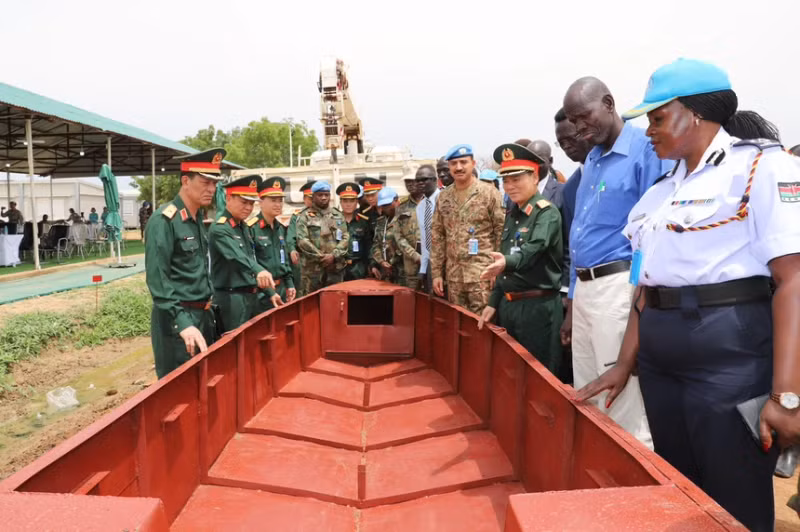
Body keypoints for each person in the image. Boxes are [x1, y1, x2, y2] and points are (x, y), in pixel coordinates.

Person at [577, 58, 800, 532]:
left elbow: (794, 280)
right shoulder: (658, 193)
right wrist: (624, 363)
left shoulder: (762, 167)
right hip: (661, 366)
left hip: (728, 363)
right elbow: (646, 287)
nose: (650, 131)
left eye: (658, 118)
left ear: (696, 114)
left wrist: (788, 395)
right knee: (683, 492)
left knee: (735, 497)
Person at [561, 76, 672, 448]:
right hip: (586, 289)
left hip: (619, 287)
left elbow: (654, 234)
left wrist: (640, 299)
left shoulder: (646, 150)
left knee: (621, 398)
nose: (579, 127)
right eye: (573, 120)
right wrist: (574, 299)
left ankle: (632, 482)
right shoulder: (591, 159)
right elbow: (581, 233)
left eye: (584, 116)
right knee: (589, 388)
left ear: (609, 103)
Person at [478, 143, 564, 373]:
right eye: (506, 180)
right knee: (512, 372)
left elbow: (534, 248)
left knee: (541, 376)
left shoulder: (546, 212)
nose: (510, 186)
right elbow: (504, 261)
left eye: (517, 179)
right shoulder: (513, 214)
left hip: (538, 308)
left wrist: (506, 262)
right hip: (510, 307)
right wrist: (493, 302)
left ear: (535, 177)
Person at [145, 148, 225, 378]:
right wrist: (182, 322)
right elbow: (158, 279)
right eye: (205, 181)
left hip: (203, 316)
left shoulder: (197, 219)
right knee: (179, 388)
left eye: (214, 183)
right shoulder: (164, 220)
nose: (211, 189)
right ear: (185, 181)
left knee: (203, 381)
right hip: (177, 321)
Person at [430, 144, 505, 314]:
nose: (458, 167)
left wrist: (497, 269)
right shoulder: (443, 197)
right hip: (454, 278)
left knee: (484, 326)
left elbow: (501, 232)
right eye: (453, 163)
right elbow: (438, 236)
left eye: (463, 162)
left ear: (473, 163)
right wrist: (436, 274)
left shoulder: (490, 193)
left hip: (483, 276)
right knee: (459, 327)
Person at [209, 175, 275, 333]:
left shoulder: (243, 227)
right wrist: (259, 271)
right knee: (232, 349)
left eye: (251, 203)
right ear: (228, 198)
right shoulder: (220, 228)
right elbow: (237, 256)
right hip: (232, 300)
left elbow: (251, 258)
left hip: (250, 297)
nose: (248, 207)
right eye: (244, 202)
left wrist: (269, 292)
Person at [250, 177, 296, 313]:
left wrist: (290, 284)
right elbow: (251, 265)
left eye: (280, 200)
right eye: (273, 200)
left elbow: (284, 260)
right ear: (261, 202)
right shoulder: (252, 228)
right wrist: (269, 291)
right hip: (262, 294)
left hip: (282, 290)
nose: (278, 204)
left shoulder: (280, 228)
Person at [296, 181, 350, 293]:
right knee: (311, 305)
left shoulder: (338, 215)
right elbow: (302, 241)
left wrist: (333, 256)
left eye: (326, 195)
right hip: (313, 272)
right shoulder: (304, 216)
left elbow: (345, 237)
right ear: (313, 196)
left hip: (335, 270)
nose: (324, 198)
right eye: (320, 195)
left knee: (334, 302)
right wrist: (322, 258)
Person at [337, 182, 372, 281]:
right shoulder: (334, 221)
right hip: (337, 268)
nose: (348, 204)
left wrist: (370, 265)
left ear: (357, 202)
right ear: (341, 202)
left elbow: (368, 245)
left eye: (352, 201)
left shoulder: (363, 221)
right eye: (345, 201)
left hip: (358, 268)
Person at [393, 178, 423, 288]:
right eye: (407, 181)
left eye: (413, 180)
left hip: (434, 264)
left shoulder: (434, 201)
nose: (410, 184)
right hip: (412, 266)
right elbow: (398, 236)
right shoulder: (401, 207)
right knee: (412, 300)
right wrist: (415, 255)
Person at [415, 164, 440, 293]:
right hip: (431, 264)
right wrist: (423, 269)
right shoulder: (420, 207)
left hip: (448, 263)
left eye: (424, 179)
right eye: (418, 180)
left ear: (435, 180)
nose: (420, 183)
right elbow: (425, 242)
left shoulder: (445, 199)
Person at [287, 181, 315, 295]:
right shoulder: (297, 216)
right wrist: (292, 249)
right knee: (302, 292)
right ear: (304, 199)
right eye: (309, 198)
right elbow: (290, 236)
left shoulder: (328, 215)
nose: (312, 201)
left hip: (321, 261)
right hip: (303, 260)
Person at [370, 187, 400, 282]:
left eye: (388, 204)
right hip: (385, 272)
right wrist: (381, 261)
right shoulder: (381, 222)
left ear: (396, 201)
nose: (386, 208)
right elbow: (376, 245)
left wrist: (391, 262)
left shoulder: (404, 219)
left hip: (402, 271)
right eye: (383, 205)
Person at [526, 140, 564, 208]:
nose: (535, 165)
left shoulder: (563, 192)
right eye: (531, 161)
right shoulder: (517, 192)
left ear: (550, 161)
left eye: (540, 160)